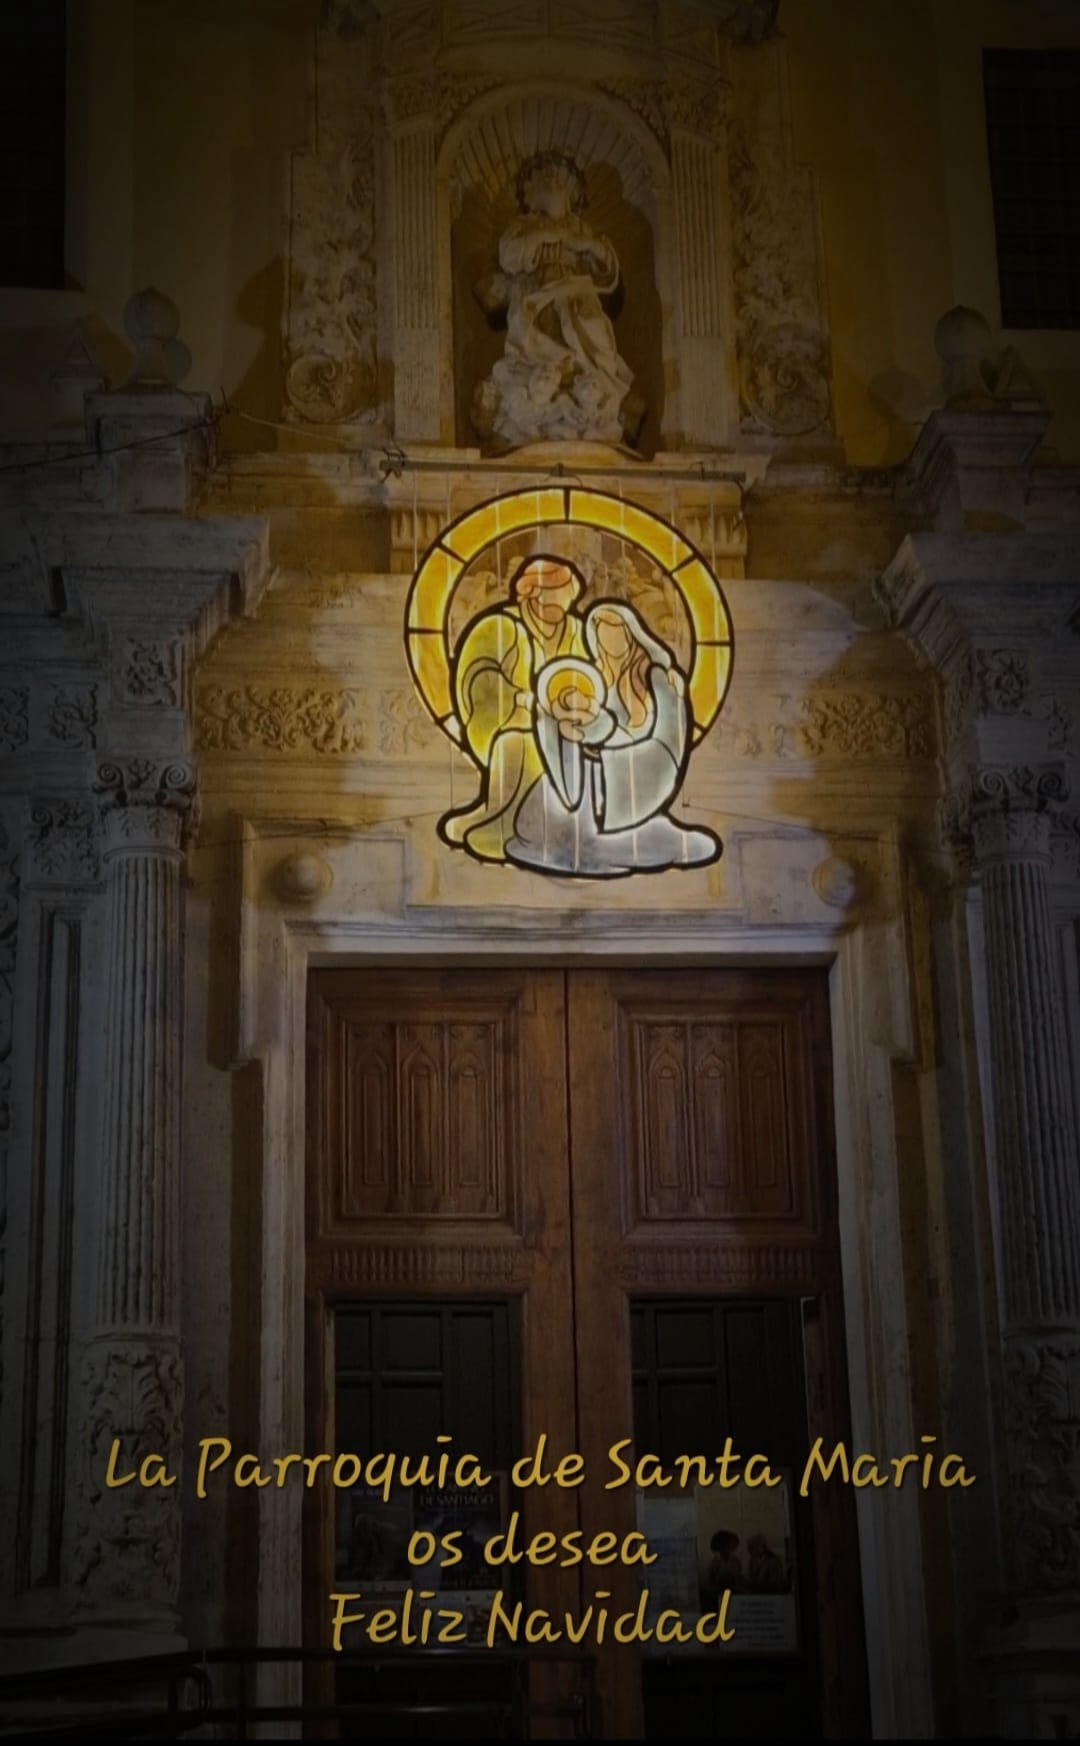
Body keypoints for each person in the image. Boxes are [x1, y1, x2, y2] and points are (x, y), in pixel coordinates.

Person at [505, 600, 721, 875]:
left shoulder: (654, 676)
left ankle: (602, 842)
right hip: (592, 766)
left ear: (631, 632)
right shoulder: (593, 679)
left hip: (638, 768)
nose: (609, 638)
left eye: (614, 630)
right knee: (542, 815)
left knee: (591, 810)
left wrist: (611, 740)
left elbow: (668, 733)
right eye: (602, 632)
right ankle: (577, 843)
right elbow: (582, 717)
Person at [472, 150, 640, 449]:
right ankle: (546, 386)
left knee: (593, 336)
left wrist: (586, 244)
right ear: (528, 195)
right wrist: (549, 236)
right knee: (537, 336)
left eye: (557, 181)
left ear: (571, 194)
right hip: (537, 295)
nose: (550, 185)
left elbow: (607, 270)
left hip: (578, 297)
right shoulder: (523, 225)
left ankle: (588, 382)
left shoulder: (579, 228)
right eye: (543, 181)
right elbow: (509, 256)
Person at [440, 555, 587, 861]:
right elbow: (476, 678)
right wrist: (518, 698)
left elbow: (593, 680)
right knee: (515, 743)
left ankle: (561, 827)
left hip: (567, 729)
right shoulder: (500, 626)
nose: (564, 607)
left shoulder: (576, 630)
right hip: (506, 722)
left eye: (568, 598)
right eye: (557, 595)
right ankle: (502, 820)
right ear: (533, 593)